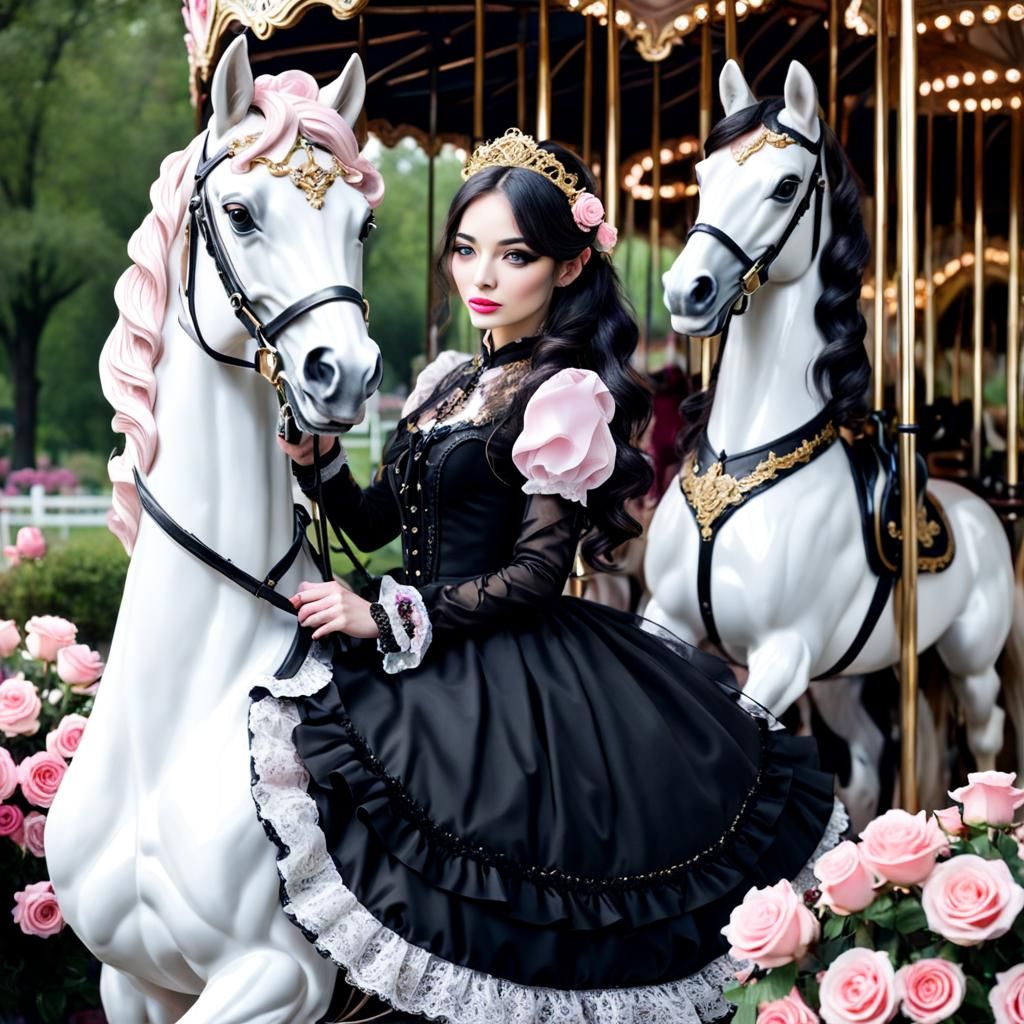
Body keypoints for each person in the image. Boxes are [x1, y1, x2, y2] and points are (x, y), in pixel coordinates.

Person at [258, 128, 843, 1023]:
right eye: (466, 250)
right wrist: (322, 463)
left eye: (515, 255)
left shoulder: (567, 391)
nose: (481, 277)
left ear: (568, 268)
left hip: (515, 670)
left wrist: (386, 618)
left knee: (518, 921)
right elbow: (379, 522)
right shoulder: (447, 381)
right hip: (431, 643)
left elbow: (536, 573)